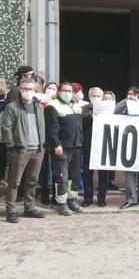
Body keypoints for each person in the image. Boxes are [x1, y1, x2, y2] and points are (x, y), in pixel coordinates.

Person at [1, 78, 46, 223]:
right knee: (14, 182)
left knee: (32, 181)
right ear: (20, 90)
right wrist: (12, 146)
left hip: (38, 150)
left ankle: (29, 207)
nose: (28, 92)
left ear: (35, 90)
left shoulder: (38, 107)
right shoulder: (12, 107)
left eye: (31, 89)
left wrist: (43, 145)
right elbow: (6, 128)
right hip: (21, 150)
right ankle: (11, 210)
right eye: (25, 89)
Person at [45, 82, 85, 215]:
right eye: (64, 90)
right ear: (59, 92)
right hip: (62, 147)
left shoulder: (76, 106)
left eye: (70, 91)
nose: (67, 93)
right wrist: (56, 144)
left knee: (74, 176)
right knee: (61, 176)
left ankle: (71, 200)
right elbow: (51, 128)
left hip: (76, 146)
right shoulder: (53, 106)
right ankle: (61, 203)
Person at [81, 86, 108, 207]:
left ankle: (102, 198)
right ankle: (88, 198)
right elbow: (80, 124)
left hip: (104, 146)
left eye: (98, 96)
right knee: (87, 174)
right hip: (88, 146)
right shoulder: (83, 109)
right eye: (93, 96)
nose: (96, 98)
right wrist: (90, 117)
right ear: (89, 97)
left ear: (102, 97)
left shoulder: (108, 109)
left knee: (103, 174)